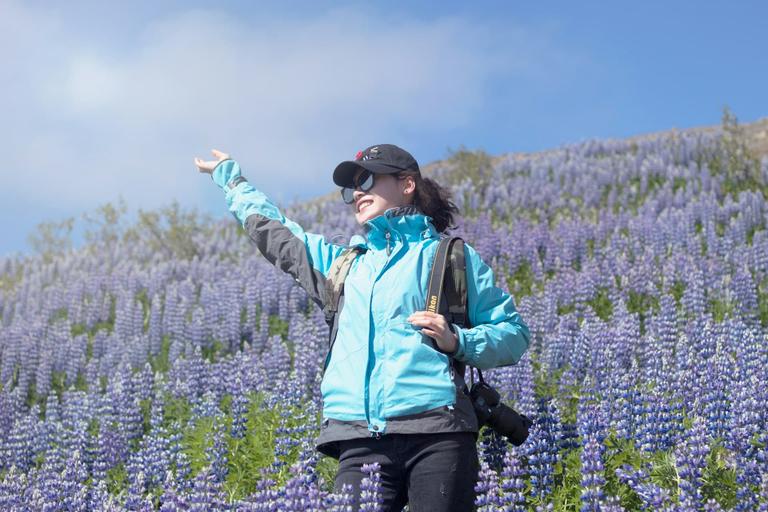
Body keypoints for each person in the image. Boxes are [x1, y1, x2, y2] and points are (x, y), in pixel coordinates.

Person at [195, 144, 530, 512]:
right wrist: (231, 179)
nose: (357, 192)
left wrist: (458, 340)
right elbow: (278, 234)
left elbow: (513, 334)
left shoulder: (450, 257)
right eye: (350, 187)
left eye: (367, 180)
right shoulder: (344, 265)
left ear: (407, 184)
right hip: (358, 436)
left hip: (437, 432)